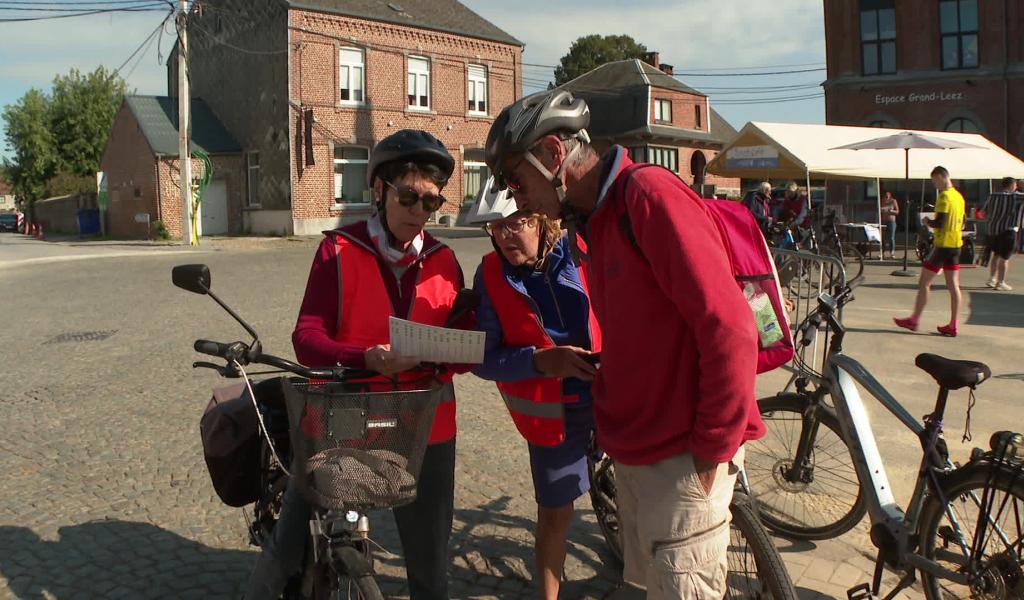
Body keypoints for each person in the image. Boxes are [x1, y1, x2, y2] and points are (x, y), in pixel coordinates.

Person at [485, 89, 764, 599]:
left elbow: (731, 329)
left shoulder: (649, 198)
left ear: (552, 155)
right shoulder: (598, 219)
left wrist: (709, 456)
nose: (517, 199)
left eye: (516, 181)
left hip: (681, 462)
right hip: (640, 456)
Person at [246, 129, 469, 600]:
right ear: (379, 191)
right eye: (408, 197)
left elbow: (458, 354)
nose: (419, 212)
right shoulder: (337, 251)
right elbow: (306, 338)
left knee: (431, 571)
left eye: (431, 203)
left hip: (427, 424)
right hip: (345, 418)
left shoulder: (446, 260)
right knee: (288, 548)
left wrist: (460, 351)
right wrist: (363, 357)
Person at [466, 185, 601, 599]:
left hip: (617, 395)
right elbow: (483, 359)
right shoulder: (490, 274)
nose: (505, 236)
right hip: (556, 414)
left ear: (542, 221)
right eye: (496, 227)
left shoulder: (584, 249)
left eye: (516, 224)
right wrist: (541, 361)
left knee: (643, 501)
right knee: (555, 516)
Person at [894, 166, 965, 337]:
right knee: (953, 285)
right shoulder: (959, 197)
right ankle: (953, 324)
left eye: (934, 181)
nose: (935, 185)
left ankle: (914, 319)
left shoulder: (945, 197)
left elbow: (940, 223)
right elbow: (962, 222)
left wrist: (927, 221)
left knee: (924, 282)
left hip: (942, 245)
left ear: (941, 177)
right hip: (956, 244)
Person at [979, 177, 1023, 291]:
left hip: (993, 231)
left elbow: (983, 213)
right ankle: (1001, 282)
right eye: (1015, 185)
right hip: (1008, 231)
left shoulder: (992, 196)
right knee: (1005, 257)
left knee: (996, 255)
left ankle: (992, 279)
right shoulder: (1016, 196)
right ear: (1012, 185)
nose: (1016, 187)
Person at [880, 191, 900, 259]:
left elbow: (897, 211)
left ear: (890, 195)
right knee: (883, 237)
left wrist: (892, 211)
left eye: (887, 195)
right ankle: (882, 252)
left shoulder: (893, 201)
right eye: (885, 195)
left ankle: (892, 252)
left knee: (891, 237)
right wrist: (882, 210)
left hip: (891, 221)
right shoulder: (882, 201)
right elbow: (880, 209)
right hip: (884, 220)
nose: (886, 196)